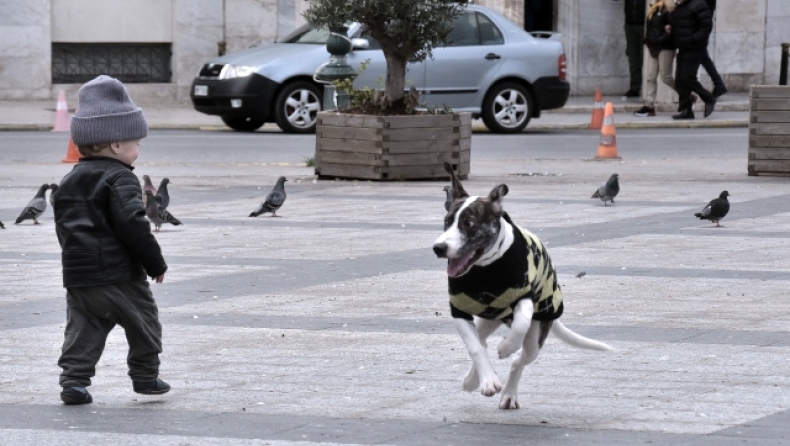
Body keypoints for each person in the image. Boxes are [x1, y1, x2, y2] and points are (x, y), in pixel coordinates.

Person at [55, 75, 171, 405]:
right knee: (144, 324)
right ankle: (146, 377)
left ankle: (74, 382)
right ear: (117, 144)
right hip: (120, 276)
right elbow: (133, 225)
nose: (139, 148)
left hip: (80, 278)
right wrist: (155, 263)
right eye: (136, 141)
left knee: (83, 330)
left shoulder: (69, 180)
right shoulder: (121, 178)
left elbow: (65, 227)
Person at [667, 0, 715, 120]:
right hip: (683, 47)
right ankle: (686, 110)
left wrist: (695, 39)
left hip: (695, 48)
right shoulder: (680, 6)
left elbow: (706, 25)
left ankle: (708, 98)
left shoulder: (699, 4)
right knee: (679, 81)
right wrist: (670, 24)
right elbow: (679, 22)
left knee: (687, 77)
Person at [634, 0, 676, 117]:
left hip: (665, 47)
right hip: (653, 47)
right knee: (650, 77)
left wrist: (661, 38)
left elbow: (672, 29)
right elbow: (652, 28)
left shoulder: (669, 8)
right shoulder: (654, 7)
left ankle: (686, 94)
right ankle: (649, 106)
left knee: (666, 77)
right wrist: (647, 40)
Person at [615, 0, 647, 99]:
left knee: (644, 58)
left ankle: (647, 87)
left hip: (645, 25)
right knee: (633, 57)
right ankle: (635, 87)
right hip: (630, 24)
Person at [701, 0, 727, 98]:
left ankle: (718, 85)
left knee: (702, 55)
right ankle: (718, 84)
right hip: (702, 23)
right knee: (703, 56)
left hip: (701, 24)